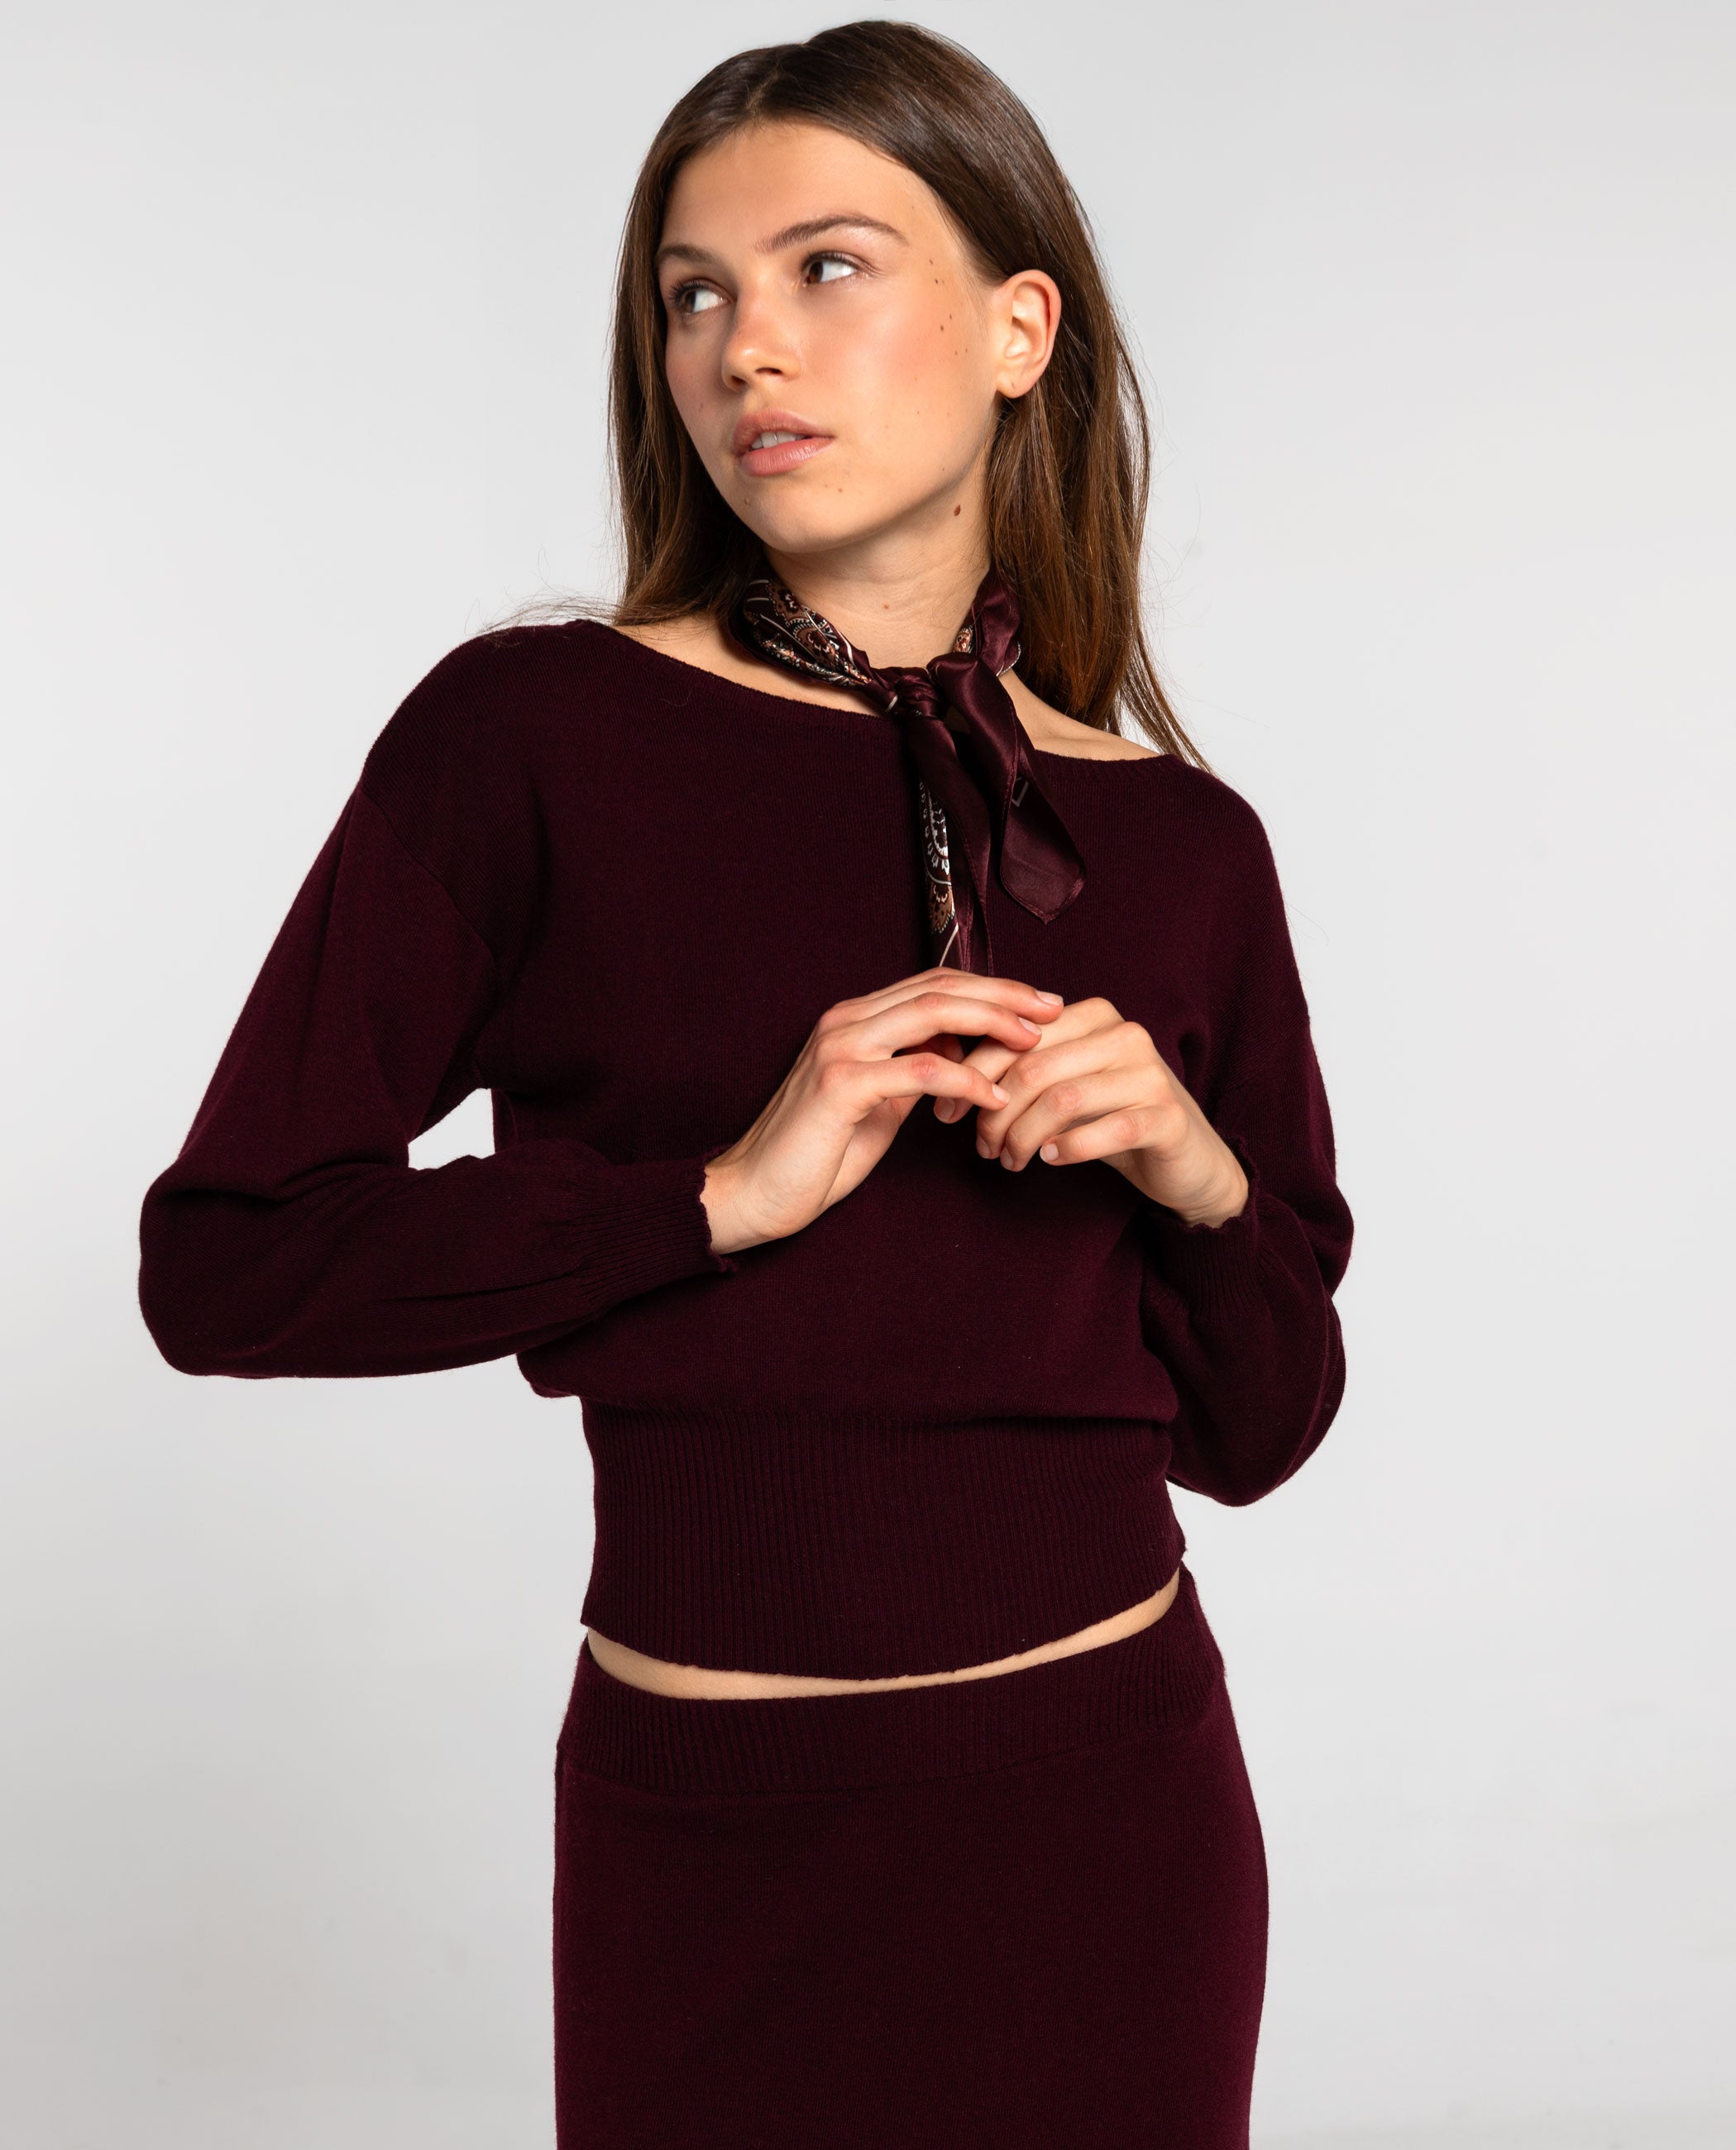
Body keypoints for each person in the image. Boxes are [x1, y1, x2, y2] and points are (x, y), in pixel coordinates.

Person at [139, 21, 1353, 2147]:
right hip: (705, 1828)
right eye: (692, 293)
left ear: (1020, 329)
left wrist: (1197, 1173)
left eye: (827, 267)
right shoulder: (527, 738)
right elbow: (229, 1264)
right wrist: (712, 1196)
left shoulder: (1183, 841)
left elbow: (1265, 1429)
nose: (743, 348)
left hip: (1106, 1814)